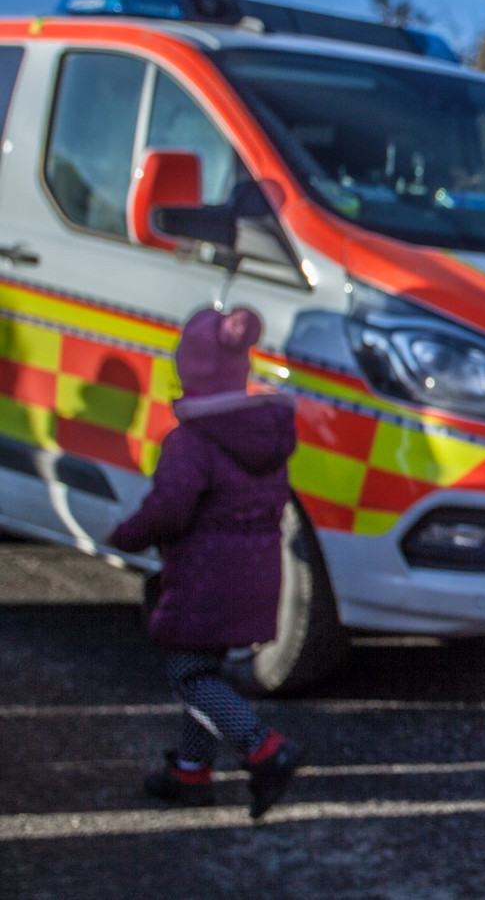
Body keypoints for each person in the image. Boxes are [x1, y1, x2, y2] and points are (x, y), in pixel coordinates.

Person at [108, 305, 304, 819]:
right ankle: (190, 772)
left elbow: (170, 508)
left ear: (188, 371)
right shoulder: (265, 436)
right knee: (205, 668)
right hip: (257, 572)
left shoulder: (191, 441)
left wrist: (128, 534)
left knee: (188, 676)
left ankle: (264, 748)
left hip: (204, 575)